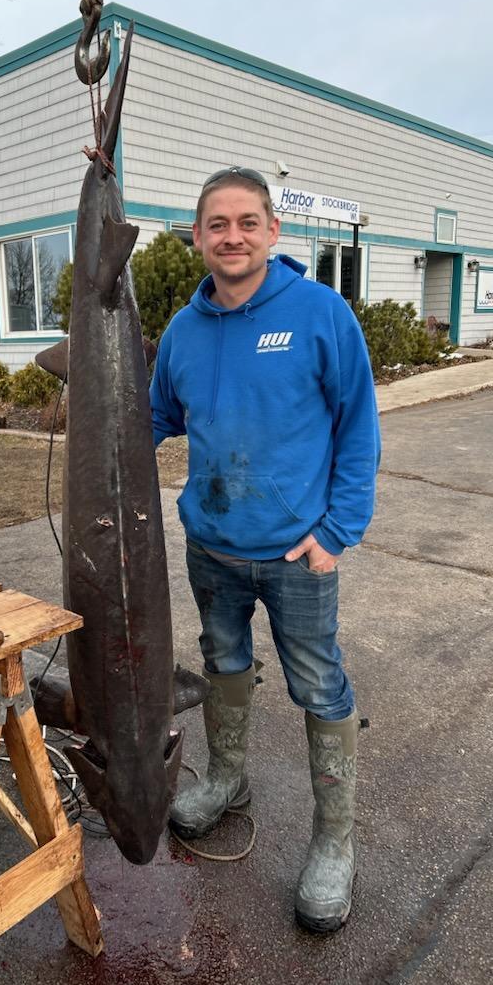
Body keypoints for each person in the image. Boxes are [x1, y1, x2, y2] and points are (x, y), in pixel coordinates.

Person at [150, 167, 380, 933]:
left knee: (318, 687)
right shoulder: (182, 332)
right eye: (217, 224)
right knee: (223, 665)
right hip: (211, 548)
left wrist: (336, 534)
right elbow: (155, 417)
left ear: (273, 231)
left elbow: (358, 430)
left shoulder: (320, 313)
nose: (233, 236)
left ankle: (334, 845)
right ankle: (224, 780)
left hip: (296, 555)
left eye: (248, 221)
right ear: (199, 238)